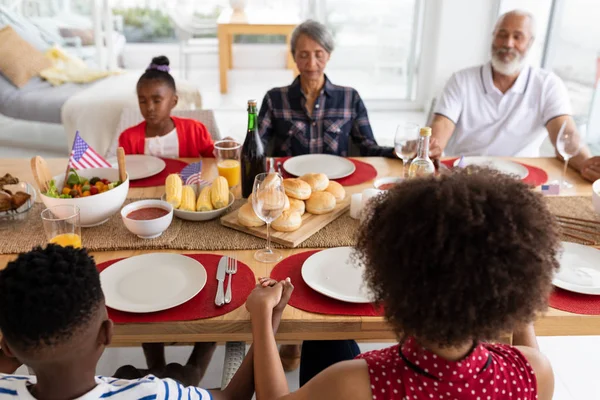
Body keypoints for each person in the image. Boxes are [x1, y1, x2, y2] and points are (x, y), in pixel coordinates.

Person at [246, 168, 558, 399]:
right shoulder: (535, 373)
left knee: (326, 342)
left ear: (388, 282)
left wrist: (262, 316)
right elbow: (523, 338)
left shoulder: (352, 383)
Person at [0, 244, 293, 399]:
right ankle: (191, 367)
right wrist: (268, 316)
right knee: (172, 375)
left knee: (132, 371)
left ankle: (186, 369)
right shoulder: (153, 393)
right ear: (106, 332)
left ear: (9, 346)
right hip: (163, 388)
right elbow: (232, 397)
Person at [430, 10, 600, 182]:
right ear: (493, 37)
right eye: (502, 35)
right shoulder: (461, 80)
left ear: (531, 42)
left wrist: (587, 163)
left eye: (517, 37)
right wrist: (428, 146)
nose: (508, 43)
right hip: (465, 177)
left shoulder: (548, 84)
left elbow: (566, 134)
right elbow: (441, 125)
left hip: (524, 181)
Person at [258, 20, 394, 158]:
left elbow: (369, 148)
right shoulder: (274, 99)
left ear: (328, 55)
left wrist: (397, 151)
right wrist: (237, 150)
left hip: (336, 179)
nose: (311, 64)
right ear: (294, 56)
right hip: (289, 179)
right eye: (304, 55)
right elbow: (257, 146)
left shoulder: (350, 98)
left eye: (319, 54)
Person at [118, 55, 215, 159]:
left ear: (174, 101)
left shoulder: (194, 130)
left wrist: (227, 148)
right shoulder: (128, 138)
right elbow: (126, 170)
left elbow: (213, 157)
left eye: (157, 101)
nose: (150, 107)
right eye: (143, 101)